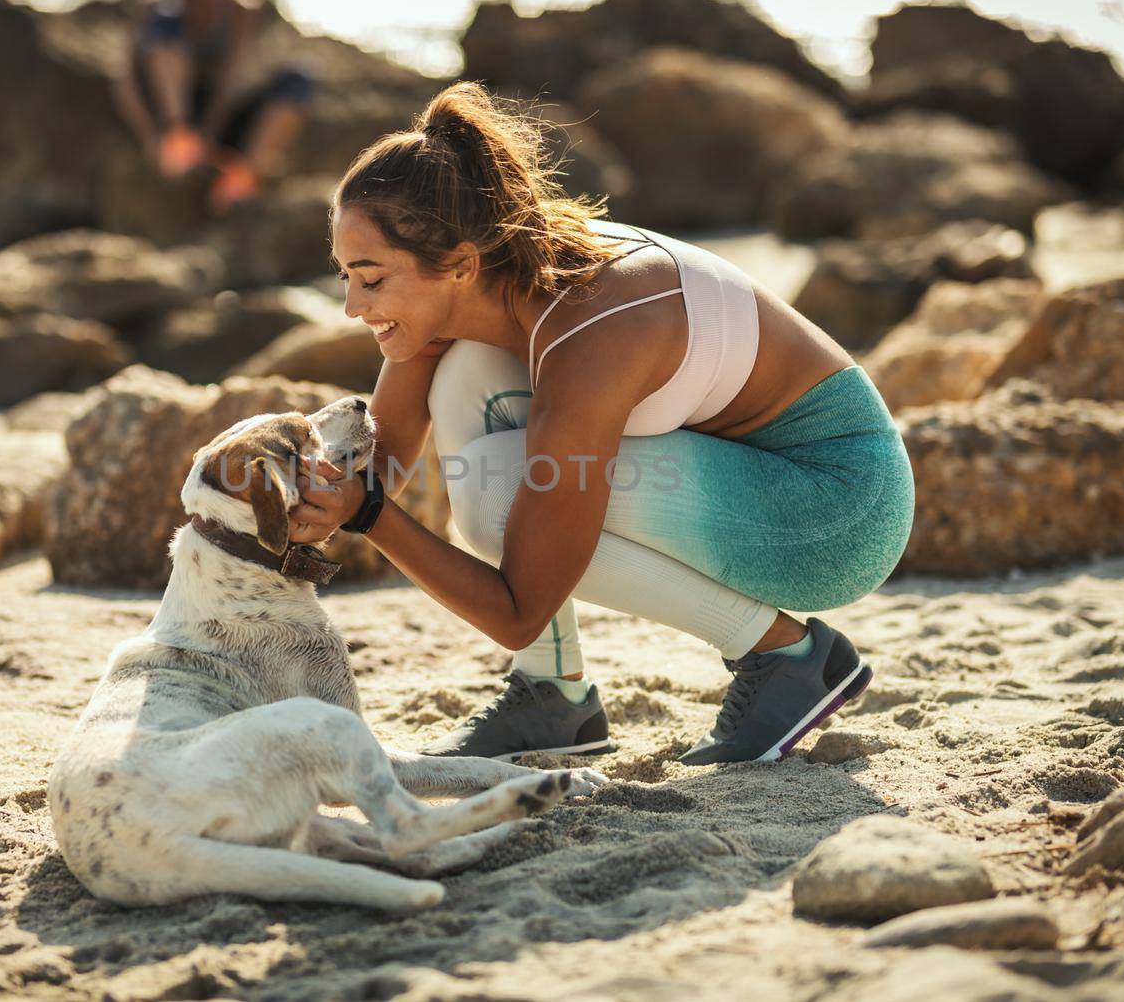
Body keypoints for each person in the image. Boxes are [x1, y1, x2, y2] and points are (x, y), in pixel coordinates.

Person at [289, 82, 915, 765]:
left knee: (496, 490)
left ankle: (788, 656)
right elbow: (381, 454)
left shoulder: (589, 340)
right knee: (468, 374)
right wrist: (319, 499)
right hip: (745, 465)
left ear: (460, 264)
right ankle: (551, 696)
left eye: (371, 279)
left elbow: (520, 606)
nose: (351, 306)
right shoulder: (498, 268)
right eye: (345, 276)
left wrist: (370, 514)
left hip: (837, 505)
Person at [112, 0, 313, 212]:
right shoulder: (158, 7)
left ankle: (243, 176)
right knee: (166, 30)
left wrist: (207, 133)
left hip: (213, 114)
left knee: (298, 81)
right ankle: (177, 134)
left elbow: (229, 84)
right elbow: (125, 83)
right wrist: (150, 138)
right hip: (168, 108)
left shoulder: (240, 10)